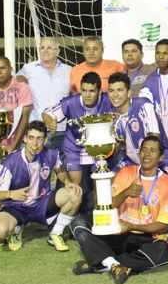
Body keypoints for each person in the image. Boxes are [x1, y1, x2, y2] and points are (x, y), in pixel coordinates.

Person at [70, 136, 168, 284]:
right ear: (139, 154)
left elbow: (164, 225)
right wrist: (125, 193)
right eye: (144, 150)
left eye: (152, 151)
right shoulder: (126, 172)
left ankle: (102, 263)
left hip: (144, 236)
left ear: (161, 157)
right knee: (79, 223)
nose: (147, 154)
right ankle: (115, 265)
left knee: (161, 252)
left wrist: (132, 226)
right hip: (117, 230)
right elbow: (107, 205)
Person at [0, 121, 83, 252]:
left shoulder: (51, 154)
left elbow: (59, 171)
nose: (35, 143)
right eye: (31, 138)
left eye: (39, 138)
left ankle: (56, 233)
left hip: (42, 203)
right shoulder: (10, 162)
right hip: (16, 206)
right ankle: (16, 229)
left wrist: (67, 182)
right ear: (25, 139)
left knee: (75, 194)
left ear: (45, 139)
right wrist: (10, 194)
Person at [43, 71, 117, 211]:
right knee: (75, 187)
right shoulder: (71, 102)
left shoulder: (109, 101)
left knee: (100, 185)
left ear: (100, 91)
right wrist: (50, 121)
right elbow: (47, 113)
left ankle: (99, 217)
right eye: (84, 90)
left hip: (100, 150)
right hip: (75, 150)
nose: (87, 95)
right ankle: (70, 219)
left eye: (91, 91)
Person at [16, 36, 72, 151]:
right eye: (42, 47)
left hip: (61, 130)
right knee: (32, 167)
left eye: (50, 48)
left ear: (58, 51)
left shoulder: (69, 70)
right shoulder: (28, 68)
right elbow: (14, 80)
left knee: (61, 168)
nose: (45, 50)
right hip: (36, 130)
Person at [106, 73, 165, 171]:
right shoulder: (111, 115)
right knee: (111, 179)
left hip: (157, 162)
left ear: (129, 93)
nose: (115, 95)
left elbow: (154, 140)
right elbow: (117, 151)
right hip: (131, 163)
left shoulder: (142, 104)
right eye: (111, 91)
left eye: (120, 90)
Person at [0, 57, 32, 154]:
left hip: (18, 141)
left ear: (11, 69)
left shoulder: (21, 87)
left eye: (3, 68)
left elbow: (24, 118)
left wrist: (13, 145)